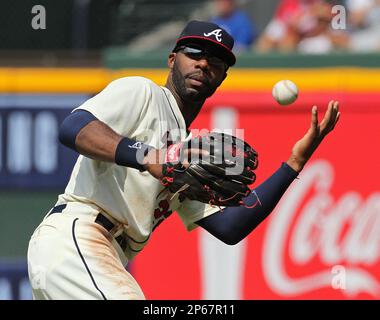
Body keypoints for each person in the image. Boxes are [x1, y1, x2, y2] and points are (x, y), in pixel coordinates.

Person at [27, 20, 340, 300]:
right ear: (172, 59)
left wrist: (294, 163)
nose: (203, 64)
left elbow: (230, 226)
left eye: (215, 61)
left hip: (102, 257)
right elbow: (74, 128)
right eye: (194, 52)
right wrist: (151, 157)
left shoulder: (191, 154)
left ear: (221, 77)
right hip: (77, 238)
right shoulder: (142, 92)